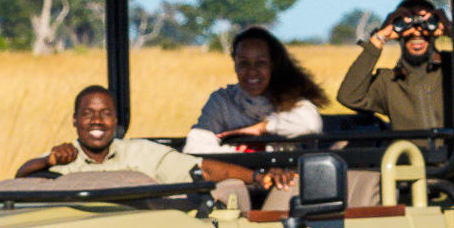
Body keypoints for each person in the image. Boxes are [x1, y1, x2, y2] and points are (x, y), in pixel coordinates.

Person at [336, 0, 454, 226]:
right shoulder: (388, 82)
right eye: (407, 27)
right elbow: (349, 96)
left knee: (437, 226)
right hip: (419, 192)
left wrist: (453, 32)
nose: (417, 35)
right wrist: (378, 40)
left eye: (425, 26)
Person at [16, 85, 293, 196]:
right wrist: (48, 161)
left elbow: (203, 169)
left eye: (105, 114)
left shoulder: (141, 153)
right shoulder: (65, 156)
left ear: (116, 121)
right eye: (88, 114)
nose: (97, 121)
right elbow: (21, 178)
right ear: (75, 120)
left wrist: (258, 177)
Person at [182, 27, 327, 154]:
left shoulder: (290, 99)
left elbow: (310, 124)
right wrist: (242, 154)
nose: (252, 71)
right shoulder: (222, 102)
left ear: (273, 65)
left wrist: (263, 127)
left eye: (260, 63)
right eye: (243, 63)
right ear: (235, 64)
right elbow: (195, 146)